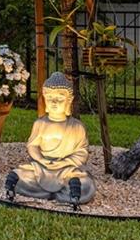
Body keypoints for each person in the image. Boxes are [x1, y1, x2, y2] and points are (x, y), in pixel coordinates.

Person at [6, 72, 95, 206]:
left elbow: (81, 152)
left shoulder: (76, 127)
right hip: (41, 167)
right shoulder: (40, 124)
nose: (54, 102)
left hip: (66, 168)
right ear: (44, 100)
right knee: (21, 174)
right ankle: (67, 192)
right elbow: (32, 146)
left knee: (85, 183)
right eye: (50, 98)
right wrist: (41, 160)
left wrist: (64, 162)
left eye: (59, 99)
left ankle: (71, 188)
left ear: (68, 101)